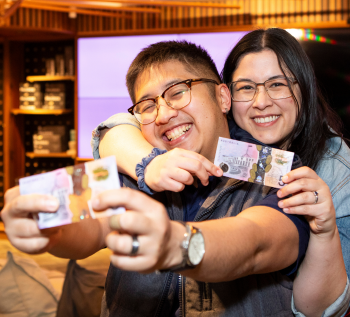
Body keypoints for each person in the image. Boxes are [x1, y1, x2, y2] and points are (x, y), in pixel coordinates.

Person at [2, 40, 311, 317]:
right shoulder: (138, 169)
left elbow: (257, 242)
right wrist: (48, 223)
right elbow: (90, 219)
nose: (163, 115)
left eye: (178, 92)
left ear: (222, 97)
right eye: (148, 106)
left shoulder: (273, 167)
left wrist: (174, 243)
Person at [94, 30, 350, 316]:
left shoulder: (320, 168)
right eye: (246, 88)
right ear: (228, 94)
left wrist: (176, 242)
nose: (261, 101)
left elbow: (256, 242)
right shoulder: (151, 151)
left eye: (277, 84)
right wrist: (147, 164)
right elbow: (115, 128)